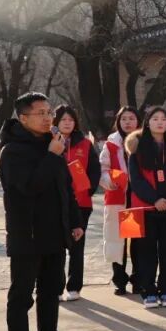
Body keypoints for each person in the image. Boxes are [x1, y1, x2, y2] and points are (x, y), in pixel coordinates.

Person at [0, 92, 84, 331]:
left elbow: (66, 187)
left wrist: (74, 220)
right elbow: (29, 188)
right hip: (27, 235)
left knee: (51, 291)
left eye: (49, 111)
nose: (49, 117)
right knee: (22, 296)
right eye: (41, 113)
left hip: (54, 234)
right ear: (23, 118)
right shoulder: (12, 152)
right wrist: (51, 156)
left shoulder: (53, 145)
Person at [126, 107, 166, 308]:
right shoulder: (137, 150)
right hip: (144, 209)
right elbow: (136, 181)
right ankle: (148, 292)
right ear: (147, 123)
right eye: (155, 119)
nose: (160, 122)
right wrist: (155, 200)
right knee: (146, 252)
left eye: (163, 119)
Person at [52, 105, 100, 301]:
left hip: (81, 203)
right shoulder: (49, 142)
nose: (67, 123)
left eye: (70, 120)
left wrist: (88, 189)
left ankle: (74, 287)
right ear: (56, 122)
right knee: (56, 247)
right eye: (63, 119)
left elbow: (95, 171)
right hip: (55, 203)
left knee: (77, 246)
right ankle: (55, 286)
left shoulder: (86, 144)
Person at [100, 106, 140, 295]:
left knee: (136, 241)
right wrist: (109, 181)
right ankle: (120, 280)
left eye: (131, 118)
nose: (128, 122)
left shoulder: (143, 142)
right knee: (118, 241)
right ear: (118, 121)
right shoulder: (111, 144)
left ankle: (138, 279)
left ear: (138, 121)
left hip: (136, 197)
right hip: (117, 197)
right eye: (124, 119)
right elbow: (102, 169)